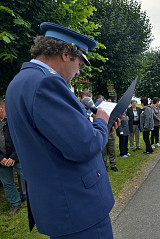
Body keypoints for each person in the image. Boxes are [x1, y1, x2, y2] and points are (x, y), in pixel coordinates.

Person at [5, 22, 120, 238]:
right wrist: (102, 120)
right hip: (78, 206)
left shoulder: (20, 82)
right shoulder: (47, 84)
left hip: (59, 205)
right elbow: (83, 147)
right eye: (81, 64)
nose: (78, 72)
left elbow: (55, 140)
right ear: (66, 54)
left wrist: (102, 130)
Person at [0, 99, 26, 216]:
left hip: (16, 156)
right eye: (5, 107)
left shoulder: (13, 121)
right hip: (2, 160)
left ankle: (36, 200)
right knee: (7, 183)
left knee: (28, 177)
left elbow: (21, 139)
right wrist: (1, 158)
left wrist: (13, 157)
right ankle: (15, 204)